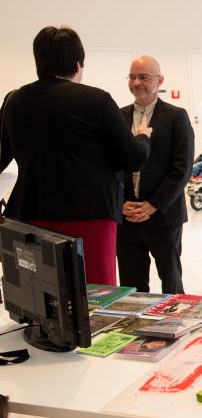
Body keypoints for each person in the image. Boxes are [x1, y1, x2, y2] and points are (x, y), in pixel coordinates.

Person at [0, 26, 151, 286]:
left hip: (31, 213)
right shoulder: (96, 100)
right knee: (93, 295)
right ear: (78, 63)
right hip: (89, 215)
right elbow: (133, 158)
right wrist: (142, 136)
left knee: (42, 292)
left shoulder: (14, 100)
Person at [117, 55, 194, 294]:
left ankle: (173, 328)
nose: (137, 82)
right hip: (127, 219)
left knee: (171, 284)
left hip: (164, 217)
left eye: (144, 77)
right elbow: (109, 167)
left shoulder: (176, 117)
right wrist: (120, 204)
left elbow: (182, 170)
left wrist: (153, 205)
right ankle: (136, 328)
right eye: (132, 77)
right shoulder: (118, 117)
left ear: (160, 80)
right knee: (131, 287)